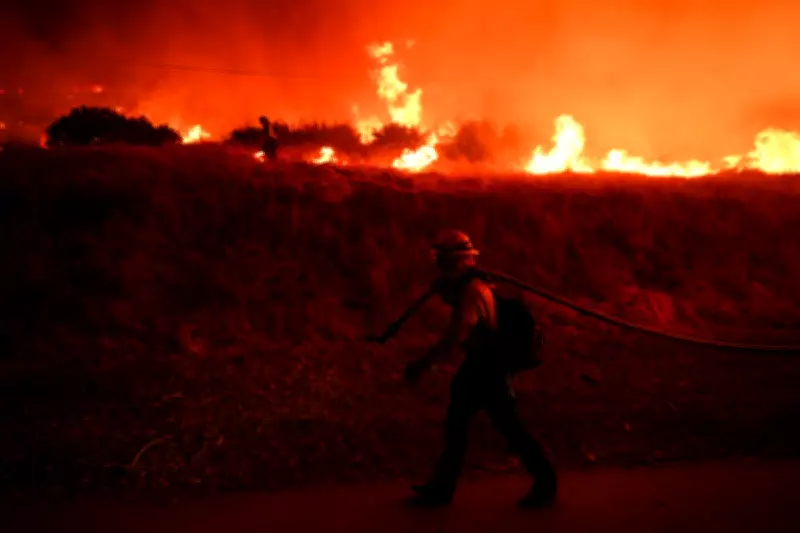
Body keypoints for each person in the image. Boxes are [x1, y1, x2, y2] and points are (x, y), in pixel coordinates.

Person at [404, 229, 558, 508]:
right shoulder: (467, 287)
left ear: (459, 262)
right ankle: (442, 487)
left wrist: (422, 364)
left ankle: (546, 481)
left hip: (489, 368)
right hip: (479, 364)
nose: (440, 268)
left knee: (507, 426)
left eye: (444, 263)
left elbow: (455, 338)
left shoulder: (473, 292)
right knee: (458, 423)